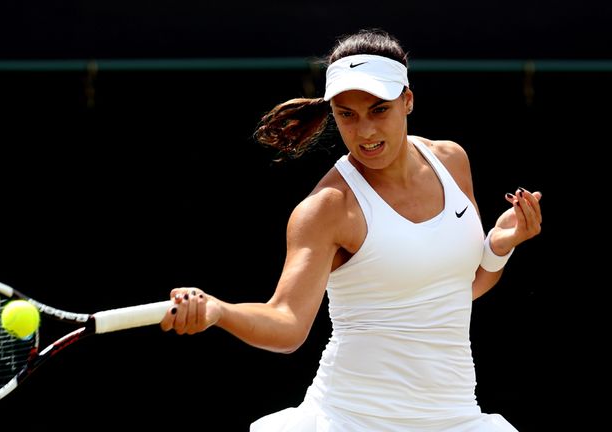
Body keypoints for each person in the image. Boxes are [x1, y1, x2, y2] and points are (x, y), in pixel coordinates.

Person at [160, 28, 542, 431]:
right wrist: (220, 311)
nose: (365, 133)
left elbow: (454, 293)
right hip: (349, 421)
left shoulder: (451, 160)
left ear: (407, 100)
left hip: (456, 419)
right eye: (347, 114)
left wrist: (499, 247)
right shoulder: (327, 208)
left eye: (379, 110)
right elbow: (286, 322)